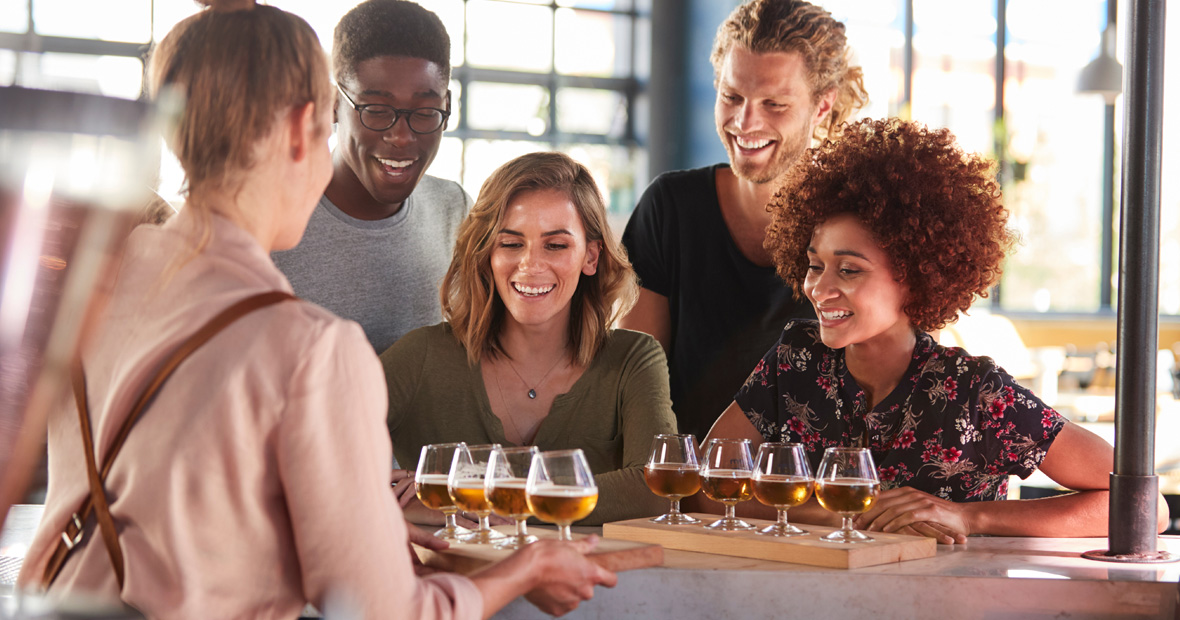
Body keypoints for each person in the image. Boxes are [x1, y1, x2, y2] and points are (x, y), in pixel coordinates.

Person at [17, 3, 614, 617]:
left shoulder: (97, 278)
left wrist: (356, 528)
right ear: (310, 122)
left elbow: (182, 499)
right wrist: (522, 571)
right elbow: (386, 613)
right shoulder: (315, 350)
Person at [702, 117, 1170, 543]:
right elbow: (709, 484)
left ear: (914, 275)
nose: (819, 288)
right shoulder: (795, 361)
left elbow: (1148, 511)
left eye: (849, 270)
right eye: (814, 265)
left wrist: (969, 517)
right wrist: (846, 515)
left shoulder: (975, 392)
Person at [381, 152, 677, 526]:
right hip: (454, 582)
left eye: (555, 245)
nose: (531, 265)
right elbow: (311, 449)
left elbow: (652, 489)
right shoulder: (421, 355)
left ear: (591, 256)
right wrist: (389, 497)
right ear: (486, 252)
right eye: (511, 243)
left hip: (594, 585)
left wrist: (468, 497)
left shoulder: (634, 359)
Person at [620, 0, 868, 440]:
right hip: (686, 489)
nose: (745, 122)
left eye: (774, 103)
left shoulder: (864, 225)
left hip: (814, 496)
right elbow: (638, 382)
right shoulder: (670, 208)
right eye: (731, 96)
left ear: (822, 106)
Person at [272, 0, 470, 353]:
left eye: (425, 112)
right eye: (376, 110)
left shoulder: (454, 212)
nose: (402, 136)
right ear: (333, 103)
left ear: (447, 106)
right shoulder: (270, 223)